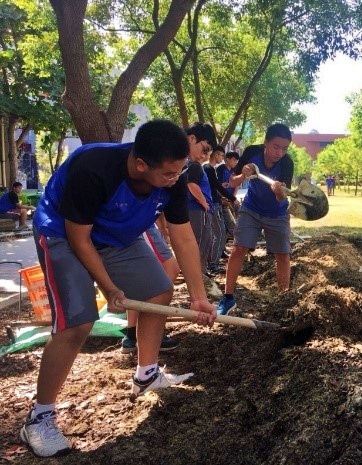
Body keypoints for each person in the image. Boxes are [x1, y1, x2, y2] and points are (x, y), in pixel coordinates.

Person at [21, 120, 216, 458]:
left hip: (117, 236)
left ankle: (146, 374)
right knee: (77, 321)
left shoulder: (173, 178)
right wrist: (109, 287)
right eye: (169, 174)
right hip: (63, 234)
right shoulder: (93, 167)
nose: (176, 179)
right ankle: (39, 417)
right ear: (141, 165)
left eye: (180, 171)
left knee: (159, 290)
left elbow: (183, 235)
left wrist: (199, 297)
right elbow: (80, 239)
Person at [217, 123, 294, 315]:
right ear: (266, 142)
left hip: (277, 214)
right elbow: (232, 181)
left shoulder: (287, 163)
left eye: (284, 149)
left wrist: (278, 191)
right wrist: (243, 174)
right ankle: (227, 298)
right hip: (251, 209)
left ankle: (282, 302)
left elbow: (282, 197)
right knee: (238, 248)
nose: (279, 153)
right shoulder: (252, 152)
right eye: (276, 147)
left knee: (283, 255)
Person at [121, 221, 181, 354]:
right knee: (169, 270)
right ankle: (148, 333)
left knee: (141, 277)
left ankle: (132, 334)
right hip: (142, 224)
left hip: (142, 222)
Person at [184, 122, 217, 277]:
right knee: (202, 243)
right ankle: (200, 275)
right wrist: (204, 203)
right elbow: (192, 185)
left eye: (207, 153)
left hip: (195, 210)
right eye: (204, 150)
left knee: (202, 242)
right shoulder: (194, 166)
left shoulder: (191, 165)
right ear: (192, 139)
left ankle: (199, 274)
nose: (204, 156)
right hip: (198, 211)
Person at [203, 145, 238, 273]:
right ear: (216, 154)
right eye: (221, 156)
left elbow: (215, 187)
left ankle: (212, 262)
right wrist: (232, 198)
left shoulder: (209, 169)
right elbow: (217, 186)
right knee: (220, 233)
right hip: (212, 205)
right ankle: (212, 264)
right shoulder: (208, 169)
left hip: (216, 203)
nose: (222, 158)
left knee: (219, 233)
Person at [217, 151, 241, 240]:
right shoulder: (220, 169)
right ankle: (231, 235)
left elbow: (237, 184)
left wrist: (233, 197)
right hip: (222, 199)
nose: (235, 162)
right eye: (234, 160)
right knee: (228, 220)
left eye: (237, 160)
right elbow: (217, 185)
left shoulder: (235, 170)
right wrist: (223, 197)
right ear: (227, 159)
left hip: (231, 198)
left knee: (240, 211)